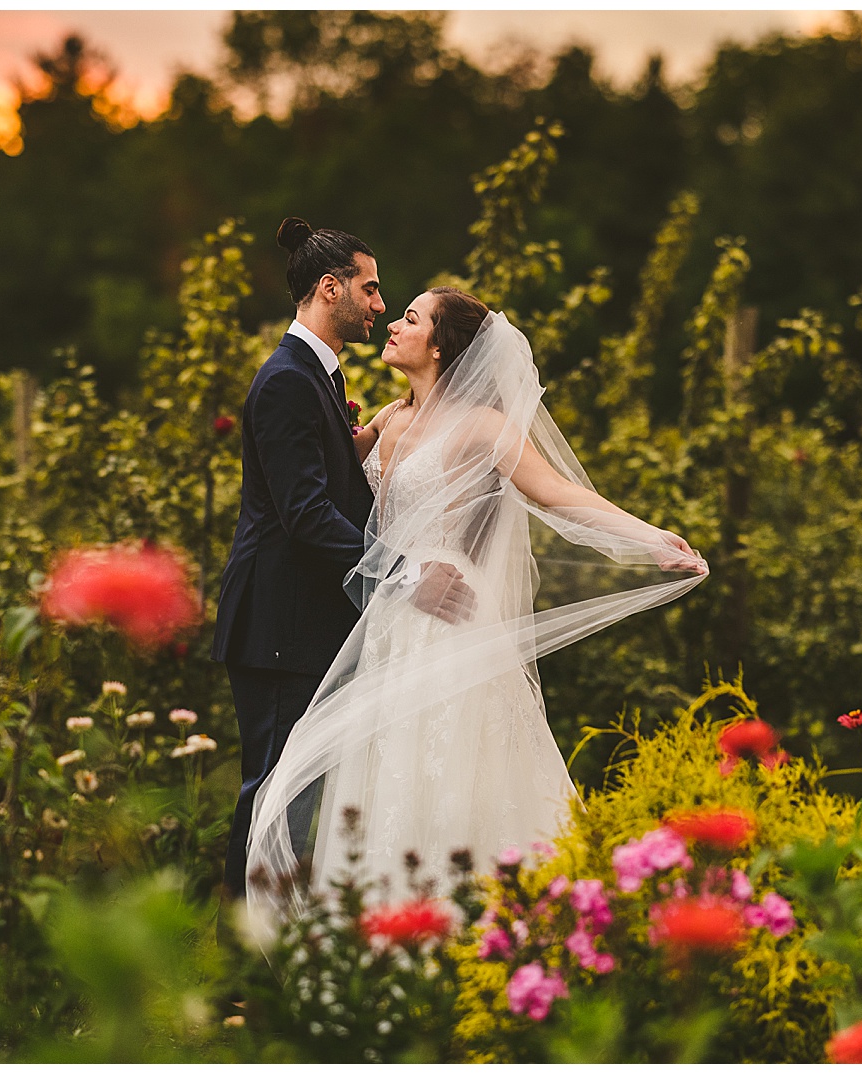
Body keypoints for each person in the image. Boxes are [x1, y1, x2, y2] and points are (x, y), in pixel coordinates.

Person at [246, 286, 707, 927]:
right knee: (387, 769)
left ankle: (479, 924)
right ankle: (383, 927)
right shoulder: (389, 419)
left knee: (459, 762)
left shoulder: (484, 427)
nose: (393, 323)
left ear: (439, 346)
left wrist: (649, 538)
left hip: (453, 613)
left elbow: (558, 493)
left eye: (410, 318)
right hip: (392, 612)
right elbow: (313, 483)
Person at [211, 220, 474, 899]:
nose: (380, 305)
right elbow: (305, 516)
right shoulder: (287, 381)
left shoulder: (319, 378)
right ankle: (243, 951)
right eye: (371, 289)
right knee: (274, 793)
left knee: (294, 797)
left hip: (301, 622)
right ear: (331, 289)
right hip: (279, 623)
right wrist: (407, 574)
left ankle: (274, 942)